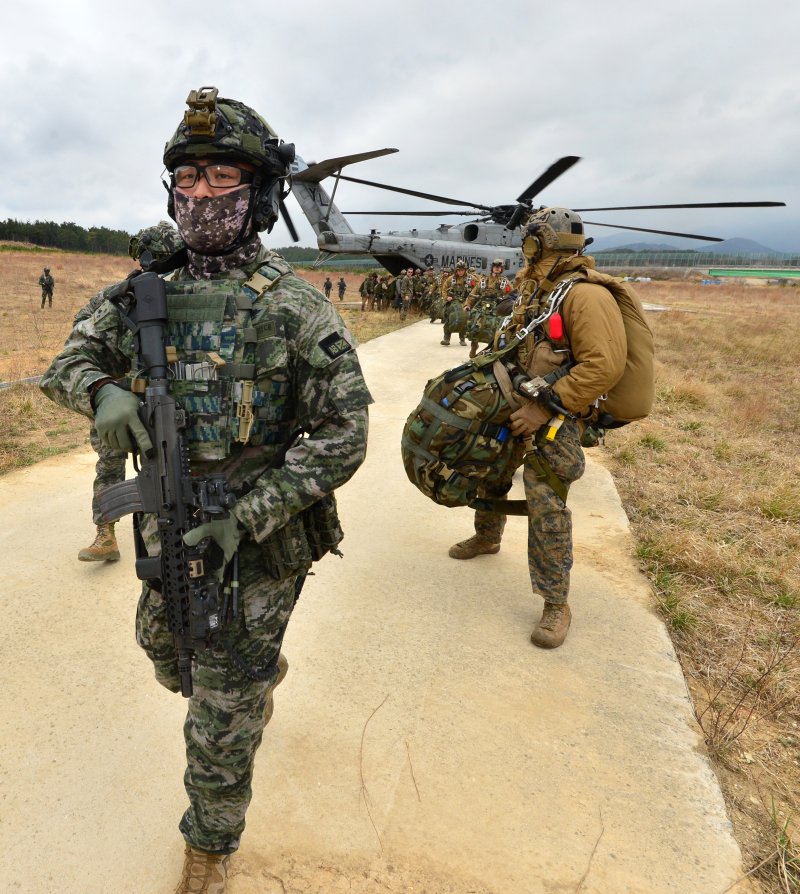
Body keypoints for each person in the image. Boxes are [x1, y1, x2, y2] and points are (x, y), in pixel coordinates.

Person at [40, 87, 372, 893]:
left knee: (218, 714)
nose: (198, 196)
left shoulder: (296, 310)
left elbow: (344, 433)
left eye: (220, 176)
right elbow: (67, 363)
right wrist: (101, 393)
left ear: (256, 196)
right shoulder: (141, 297)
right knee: (166, 657)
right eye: (186, 180)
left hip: (256, 543)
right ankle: (257, 681)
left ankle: (208, 852)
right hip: (168, 530)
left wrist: (251, 515)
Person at [448, 208, 630, 650]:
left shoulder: (586, 296)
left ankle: (555, 601)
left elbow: (602, 367)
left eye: (530, 244)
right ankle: (488, 537)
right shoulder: (540, 291)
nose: (524, 253)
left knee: (545, 497)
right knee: (490, 470)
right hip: (516, 403)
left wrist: (544, 409)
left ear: (545, 245)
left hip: (558, 417)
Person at [77, 221, 186, 563]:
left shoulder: (190, 293)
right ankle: (106, 533)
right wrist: (106, 389)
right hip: (123, 395)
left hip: (166, 395)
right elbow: (82, 338)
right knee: (112, 462)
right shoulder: (119, 294)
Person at [464, 257, 514, 358]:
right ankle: (473, 348)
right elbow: (473, 293)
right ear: (492, 268)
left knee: (494, 331)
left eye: (499, 267)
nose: (497, 268)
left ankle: (491, 350)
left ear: (502, 269)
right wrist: (467, 305)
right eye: (495, 267)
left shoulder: (505, 282)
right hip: (481, 306)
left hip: (497, 307)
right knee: (475, 328)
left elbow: (512, 295)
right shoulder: (483, 280)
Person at [439, 259, 472, 346]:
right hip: (453, 301)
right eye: (459, 270)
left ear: (465, 270)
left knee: (464, 319)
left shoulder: (470, 279)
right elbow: (444, 289)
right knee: (449, 318)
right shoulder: (450, 279)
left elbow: (476, 288)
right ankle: (446, 338)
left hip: (465, 302)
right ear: (456, 270)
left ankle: (462, 339)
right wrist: (447, 297)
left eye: (462, 270)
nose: (460, 272)